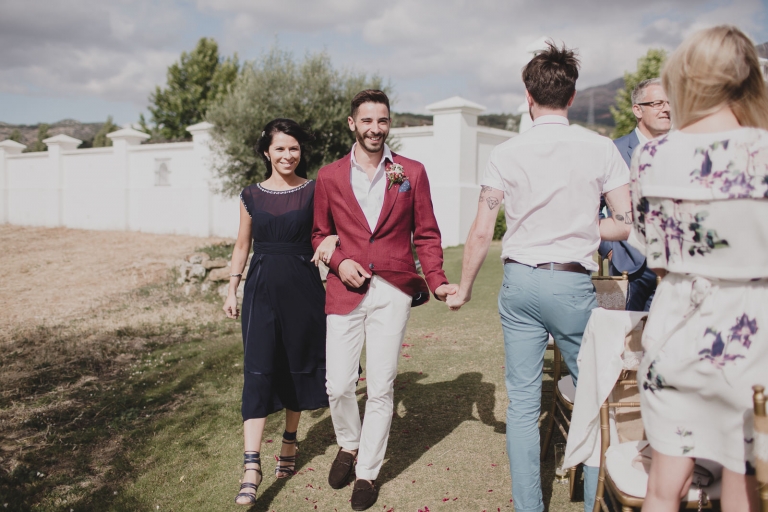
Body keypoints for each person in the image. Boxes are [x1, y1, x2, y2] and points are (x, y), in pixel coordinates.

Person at [446, 42, 632, 512]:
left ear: (528, 97)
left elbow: (481, 229)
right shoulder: (601, 147)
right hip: (571, 284)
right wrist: (584, 226)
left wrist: (464, 289)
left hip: (520, 285)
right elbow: (624, 222)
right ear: (571, 97)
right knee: (593, 397)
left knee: (525, 404)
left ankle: (530, 507)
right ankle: (592, 502)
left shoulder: (506, 152)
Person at [631, 26, 768, 512]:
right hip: (750, 336)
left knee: (664, 486)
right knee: (742, 475)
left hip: (675, 328)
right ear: (747, 77)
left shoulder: (650, 154)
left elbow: (652, 248)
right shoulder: (762, 149)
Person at [312, 89, 457, 511]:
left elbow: (426, 234)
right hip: (344, 291)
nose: (375, 129)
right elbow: (319, 233)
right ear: (352, 124)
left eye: (383, 121)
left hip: (393, 289)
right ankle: (348, 443)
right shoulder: (329, 176)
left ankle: (368, 471)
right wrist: (339, 263)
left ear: (389, 124)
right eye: (367, 121)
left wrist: (439, 279)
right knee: (338, 385)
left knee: (380, 383)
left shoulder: (411, 171)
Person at [223, 118, 338, 506]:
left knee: (296, 364)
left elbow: (331, 230)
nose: (288, 155)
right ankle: (251, 466)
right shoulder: (250, 195)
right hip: (260, 289)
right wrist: (232, 285)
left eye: (293, 148)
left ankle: (290, 441)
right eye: (280, 149)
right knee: (258, 369)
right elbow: (242, 244)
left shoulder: (314, 190)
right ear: (266, 152)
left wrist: (331, 242)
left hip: (304, 290)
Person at [598, 78, 671, 311]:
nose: (667, 109)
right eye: (658, 103)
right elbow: (591, 207)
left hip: (676, 267)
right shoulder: (614, 151)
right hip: (630, 266)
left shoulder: (682, 150)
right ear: (637, 110)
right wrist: (609, 247)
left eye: (670, 103)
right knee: (629, 341)